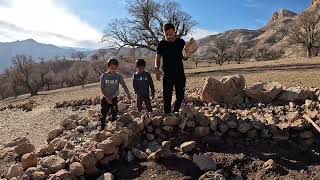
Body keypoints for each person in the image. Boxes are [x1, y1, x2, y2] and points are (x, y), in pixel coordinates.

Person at [155, 23, 197, 114]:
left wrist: (189, 54)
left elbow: (183, 57)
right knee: (167, 96)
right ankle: (167, 114)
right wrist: (157, 69)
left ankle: (176, 111)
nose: (169, 36)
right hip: (167, 74)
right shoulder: (161, 44)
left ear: (175, 31)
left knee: (180, 95)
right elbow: (158, 58)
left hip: (179, 73)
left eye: (171, 34)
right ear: (164, 34)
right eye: (166, 35)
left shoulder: (180, 42)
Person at [100, 58, 131, 130]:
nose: (113, 70)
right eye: (111, 68)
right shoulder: (103, 76)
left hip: (114, 98)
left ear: (117, 67)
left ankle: (113, 127)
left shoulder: (118, 76)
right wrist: (107, 98)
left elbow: (124, 85)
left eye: (115, 68)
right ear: (108, 67)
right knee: (103, 113)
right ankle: (102, 127)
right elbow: (102, 88)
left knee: (114, 112)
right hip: (105, 98)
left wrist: (128, 94)